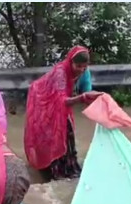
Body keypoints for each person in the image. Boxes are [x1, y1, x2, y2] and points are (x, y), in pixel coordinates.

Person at [24, 46, 102, 181]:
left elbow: (86, 93)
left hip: (61, 104)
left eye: (84, 66)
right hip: (43, 101)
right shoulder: (60, 72)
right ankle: (53, 170)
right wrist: (83, 97)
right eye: (78, 66)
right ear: (70, 62)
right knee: (51, 134)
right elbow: (62, 101)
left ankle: (69, 168)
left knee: (67, 133)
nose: (81, 70)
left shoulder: (85, 72)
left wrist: (102, 108)